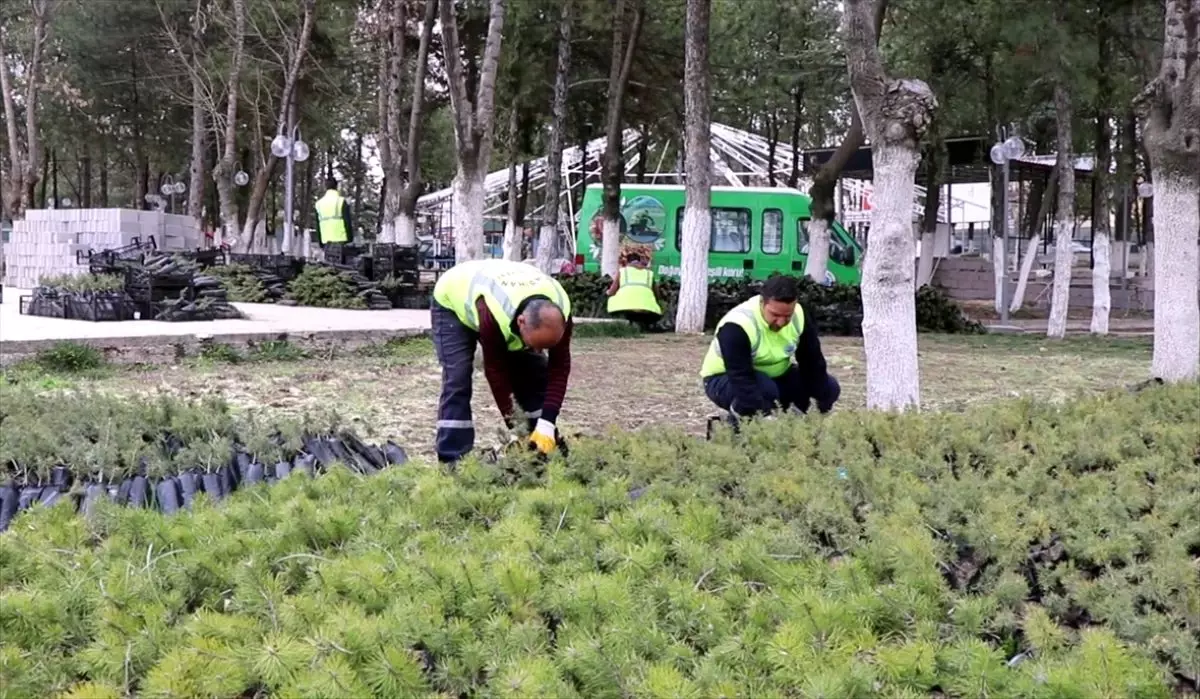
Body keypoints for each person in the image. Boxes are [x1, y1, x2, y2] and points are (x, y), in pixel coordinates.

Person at [430, 258, 574, 464]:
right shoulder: (493, 311)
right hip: (452, 299)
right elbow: (496, 372)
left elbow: (559, 368)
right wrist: (515, 426)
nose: (538, 350)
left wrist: (547, 423)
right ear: (521, 322)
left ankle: (538, 441)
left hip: (508, 291)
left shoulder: (561, 312)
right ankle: (454, 459)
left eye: (544, 347)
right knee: (458, 377)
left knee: (535, 369)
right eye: (534, 344)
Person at [699, 275, 840, 421]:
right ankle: (735, 429)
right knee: (764, 391)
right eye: (775, 315)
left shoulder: (800, 315)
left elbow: (812, 362)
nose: (780, 322)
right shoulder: (737, 325)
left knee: (828, 388)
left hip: (775, 377)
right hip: (725, 379)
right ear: (762, 303)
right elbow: (741, 378)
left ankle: (795, 428)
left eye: (787, 316)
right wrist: (766, 417)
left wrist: (821, 401)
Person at [605, 251, 663, 330]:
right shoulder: (650, 273)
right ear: (639, 261)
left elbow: (612, 292)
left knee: (611, 300)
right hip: (648, 309)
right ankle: (646, 326)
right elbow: (658, 295)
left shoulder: (623, 271)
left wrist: (607, 292)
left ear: (627, 262)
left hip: (624, 307)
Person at [313, 177, 353, 246]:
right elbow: (347, 221)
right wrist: (350, 238)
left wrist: (320, 242)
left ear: (326, 187)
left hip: (325, 241)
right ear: (336, 186)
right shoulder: (341, 201)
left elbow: (317, 225)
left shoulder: (319, 204)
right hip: (341, 241)